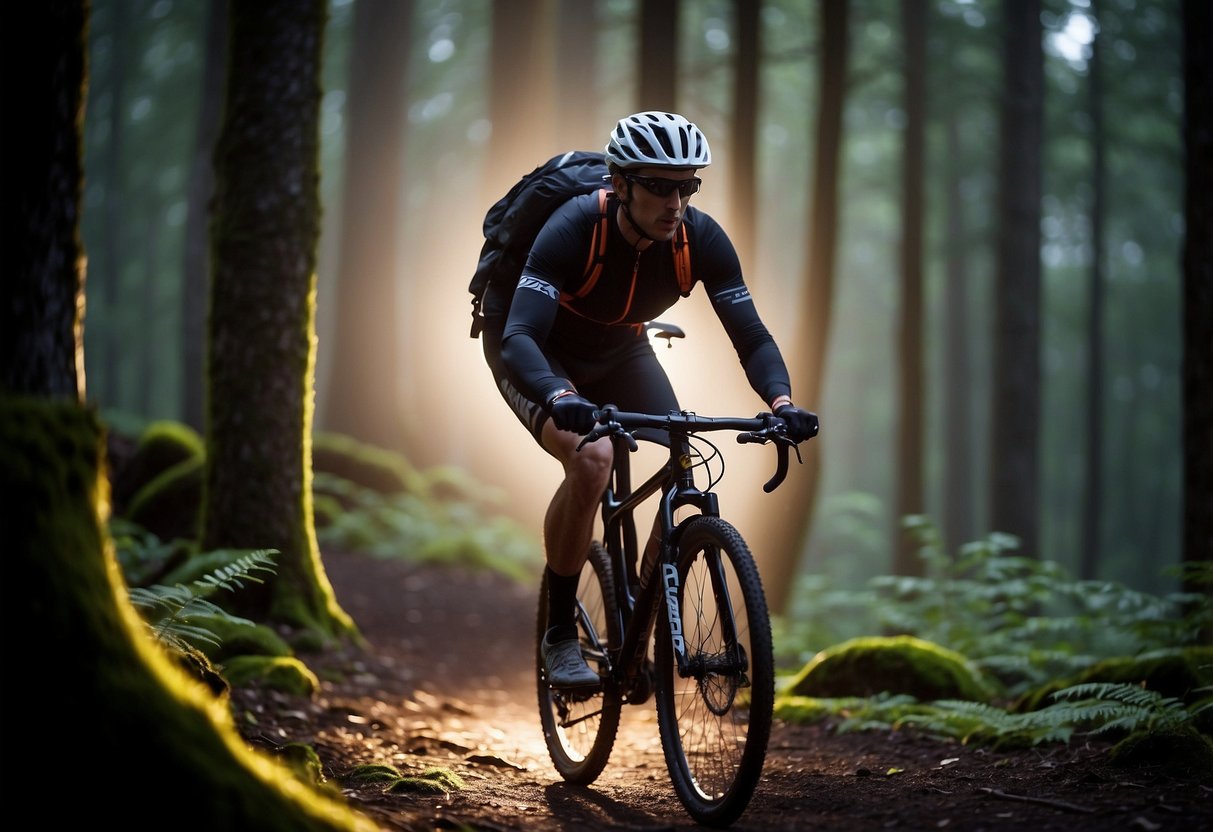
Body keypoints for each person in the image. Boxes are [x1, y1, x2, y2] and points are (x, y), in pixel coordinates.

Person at [480, 111, 819, 690]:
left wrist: (783, 403)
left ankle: (640, 607)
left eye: (687, 186)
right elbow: (520, 338)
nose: (675, 202)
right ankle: (560, 632)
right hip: (537, 350)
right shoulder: (572, 227)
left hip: (622, 347)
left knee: (682, 456)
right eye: (660, 186)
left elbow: (752, 336)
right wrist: (561, 395)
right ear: (620, 184)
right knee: (593, 459)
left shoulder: (700, 239)